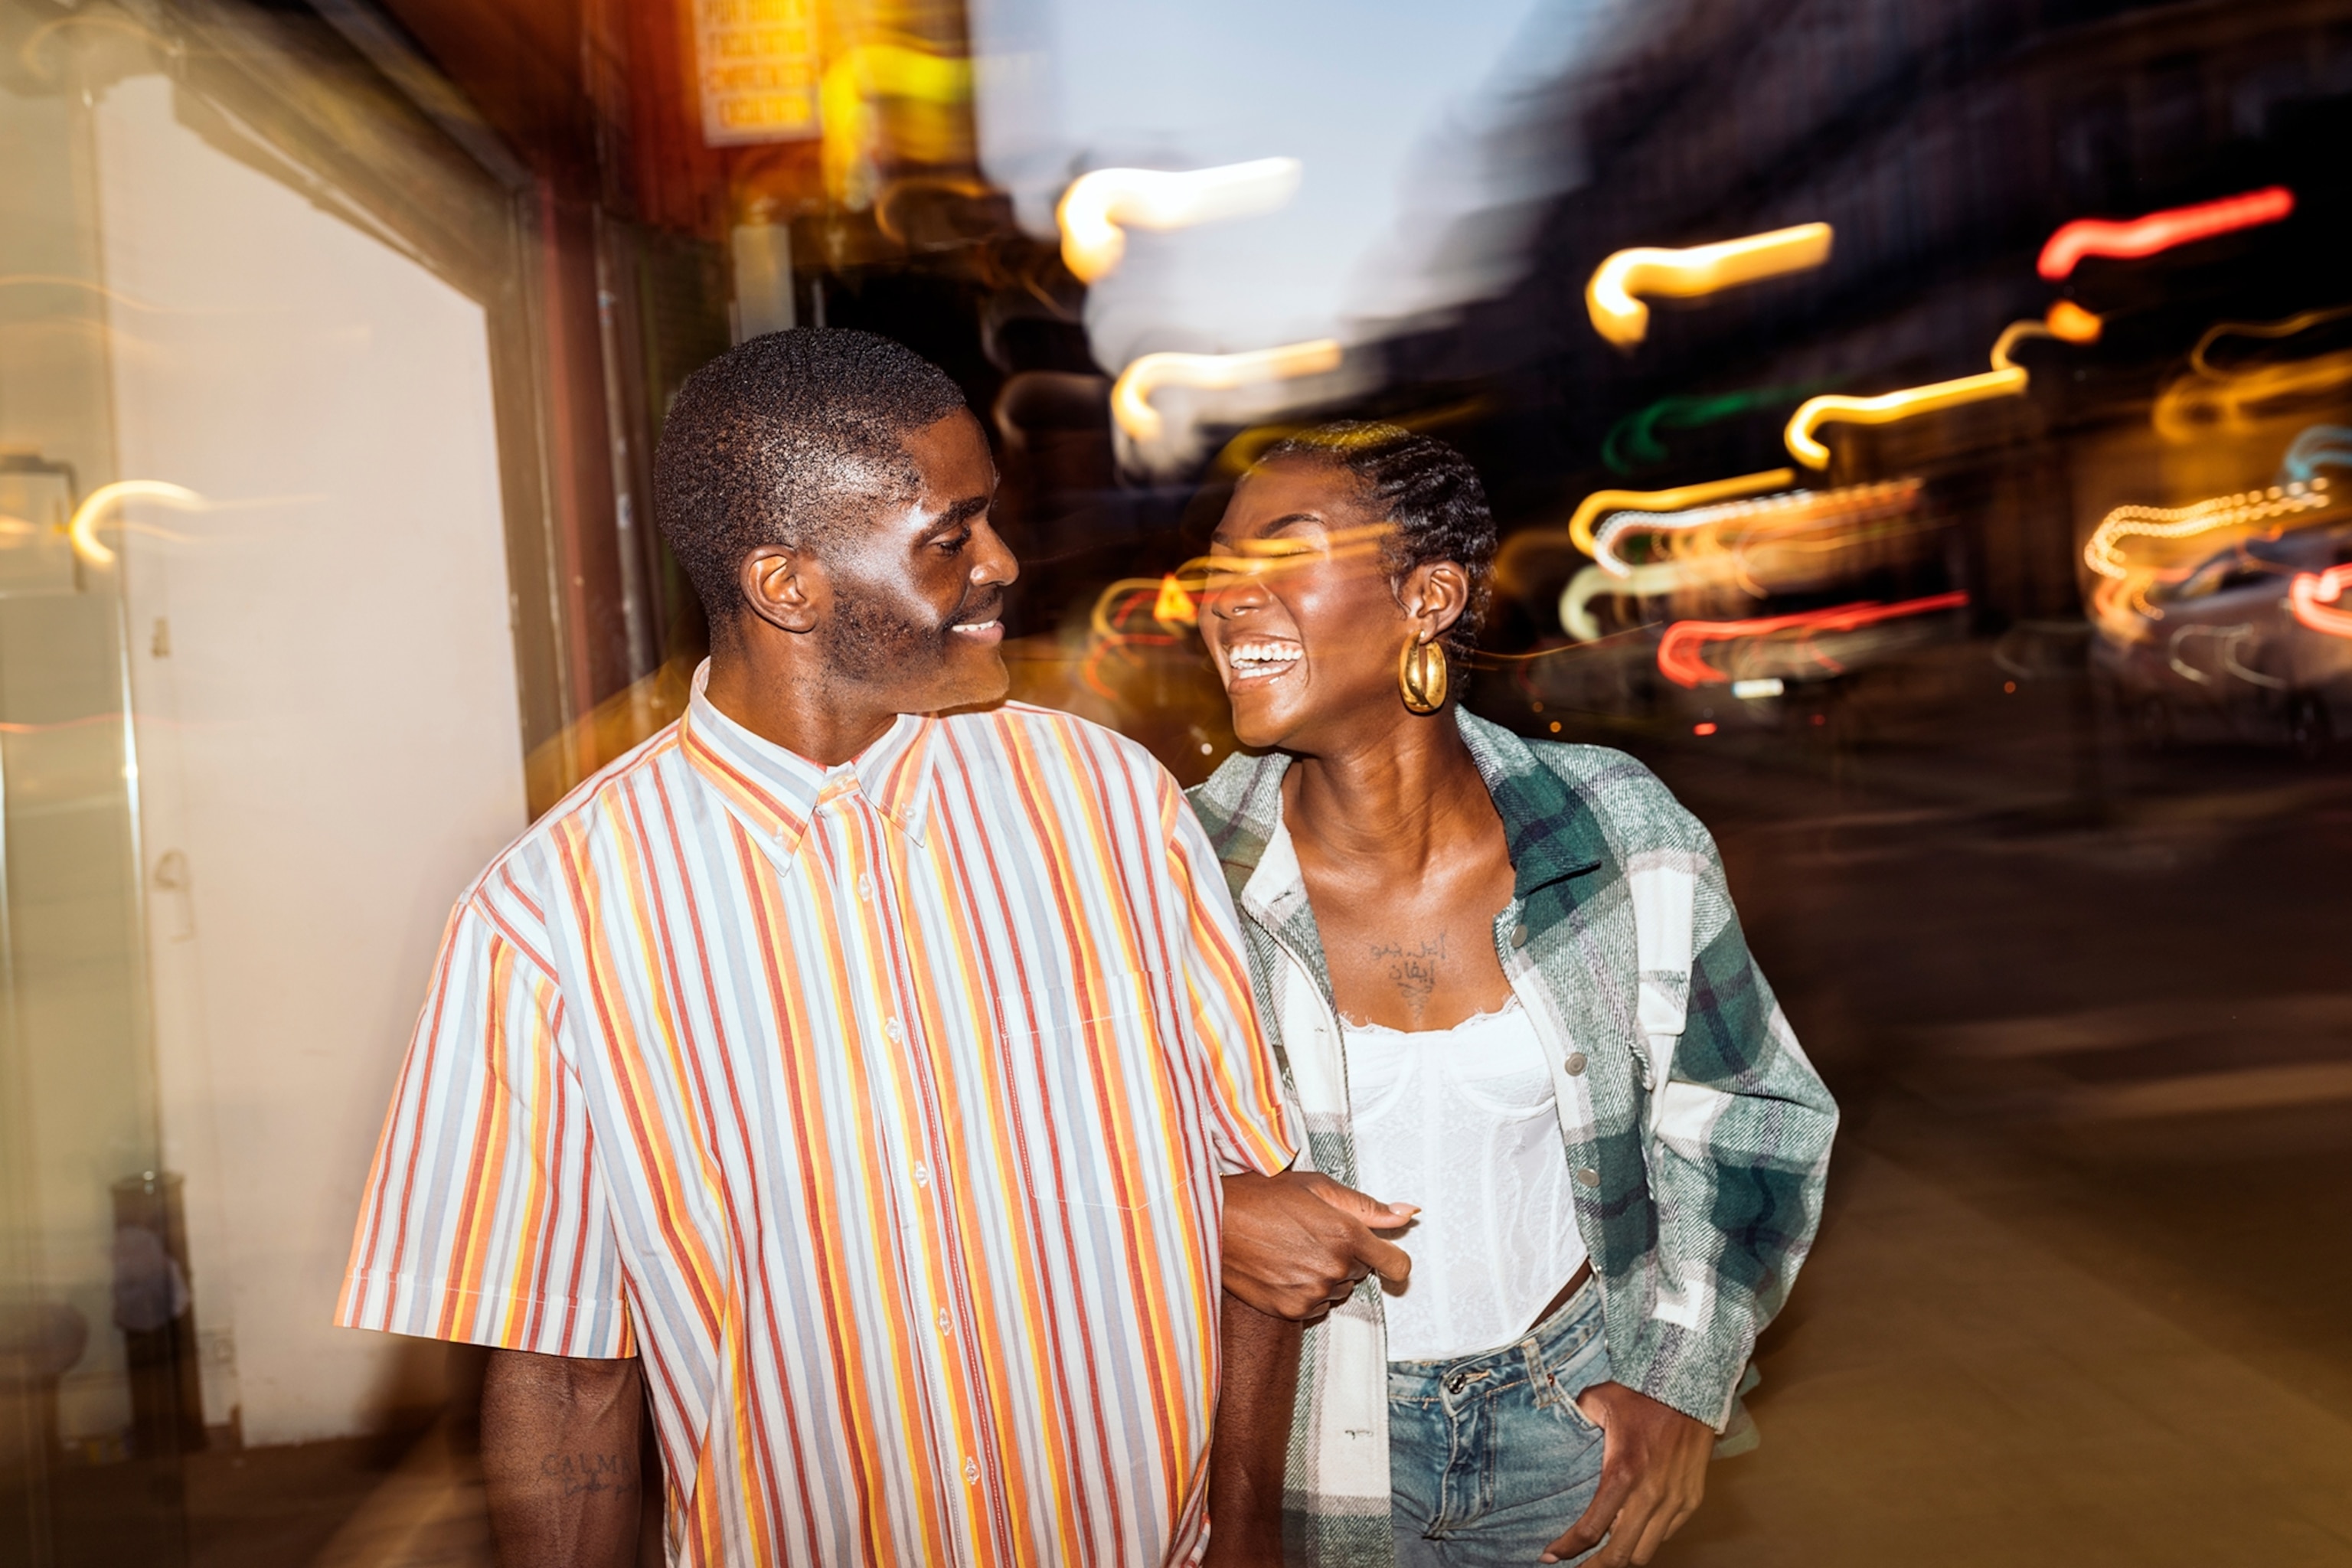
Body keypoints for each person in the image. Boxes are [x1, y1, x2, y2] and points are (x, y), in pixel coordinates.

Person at [336, 329, 1296, 1566]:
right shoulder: (548, 920)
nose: (1002, 562)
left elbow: (1254, 1223)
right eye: (950, 537)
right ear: (788, 585)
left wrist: (1251, 1540)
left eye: (988, 519)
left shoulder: (1108, 806)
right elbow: (565, 1381)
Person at [1191, 423, 1837, 1567]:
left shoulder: (1611, 823)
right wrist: (1199, 1209)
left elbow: (1749, 1111)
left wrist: (1682, 1379)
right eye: (1216, 568)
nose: (1225, 601)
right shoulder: (1173, 870)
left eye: (1283, 556)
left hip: (1570, 1430)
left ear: (1427, 596)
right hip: (1309, 1448)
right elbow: (1052, 1147)